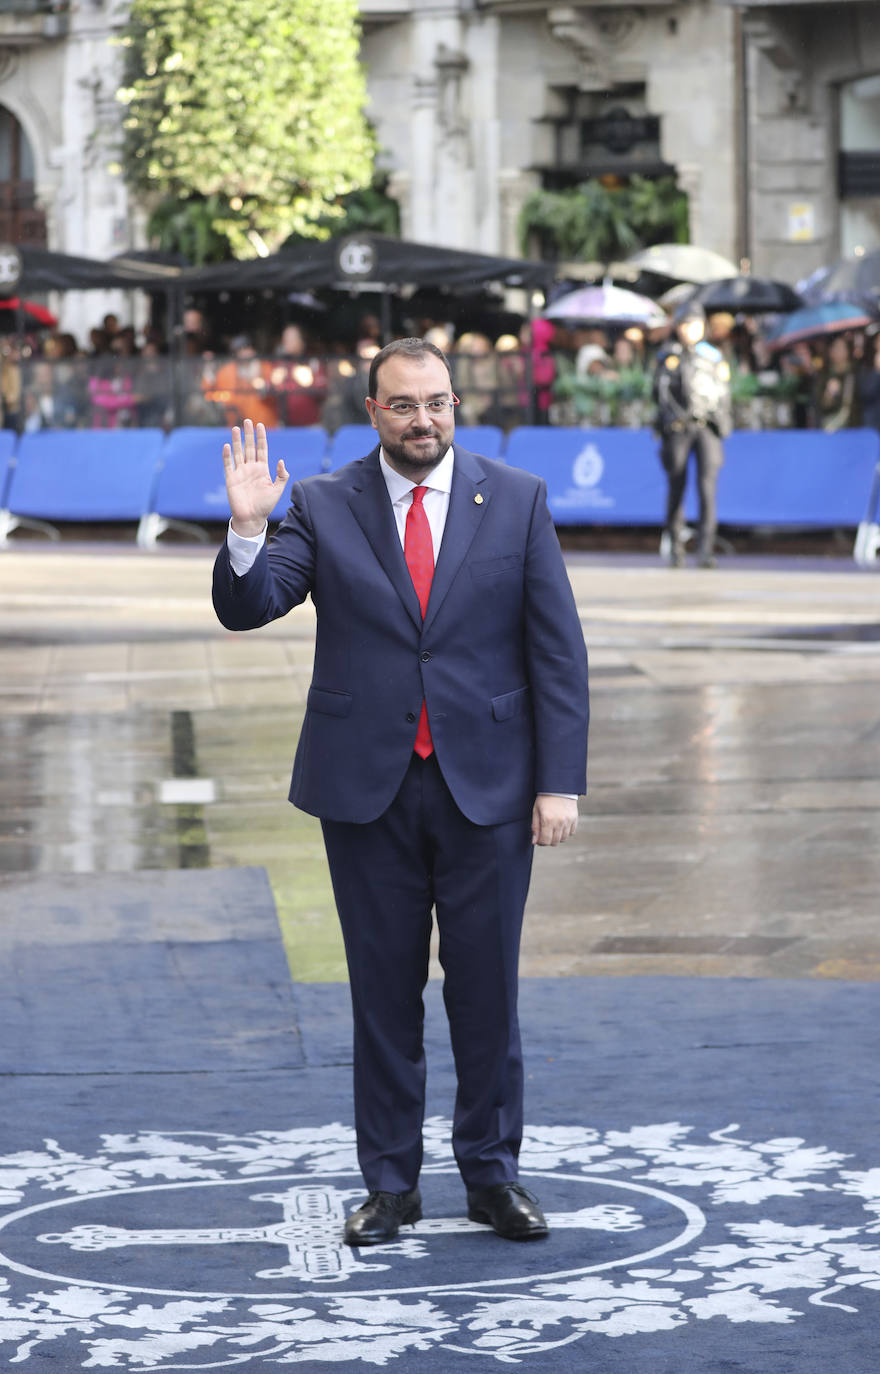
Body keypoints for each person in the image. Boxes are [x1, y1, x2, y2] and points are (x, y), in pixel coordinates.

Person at [213, 337, 589, 1247]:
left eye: (437, 403)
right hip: (366, 792)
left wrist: (559, 785)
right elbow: (249, 606)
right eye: (403, 404)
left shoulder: (519, 499)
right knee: (382, 998)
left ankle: (493, 1178)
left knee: (486, 997)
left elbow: (557, 653)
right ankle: (390, 1187)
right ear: (372, 411)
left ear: (455, 405)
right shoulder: (321, 502)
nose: (423, 419)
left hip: (490, 792)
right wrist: (248, 528)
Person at [652, 304, 732, 568]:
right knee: (677, 484)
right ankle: (676, 548)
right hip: (678, 428)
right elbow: (659, 394)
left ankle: (706, 549)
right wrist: (670, 420)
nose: (689, 330)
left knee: (707, 488)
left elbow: (723, 392)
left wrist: (722, 421)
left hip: (707, 427)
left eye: (694, 324)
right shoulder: (668, 355)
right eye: (685, 324)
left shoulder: (712, 356)